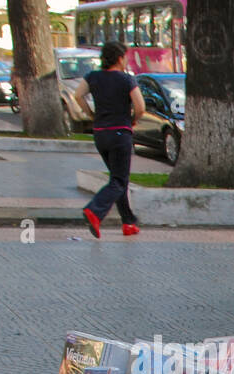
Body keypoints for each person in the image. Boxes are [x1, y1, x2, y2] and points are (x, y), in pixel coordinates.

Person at [76, 40, 145, 237]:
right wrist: (132, 120)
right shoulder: (126, 79)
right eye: (125, 57)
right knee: (119, 180)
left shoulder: (92, 77)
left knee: (117, 178)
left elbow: (78, 95)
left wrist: (90, 114)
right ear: (120, 58)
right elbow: (140, 107)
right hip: (120, 133)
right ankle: (95, 210)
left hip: (100, 134)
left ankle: (128, 222)